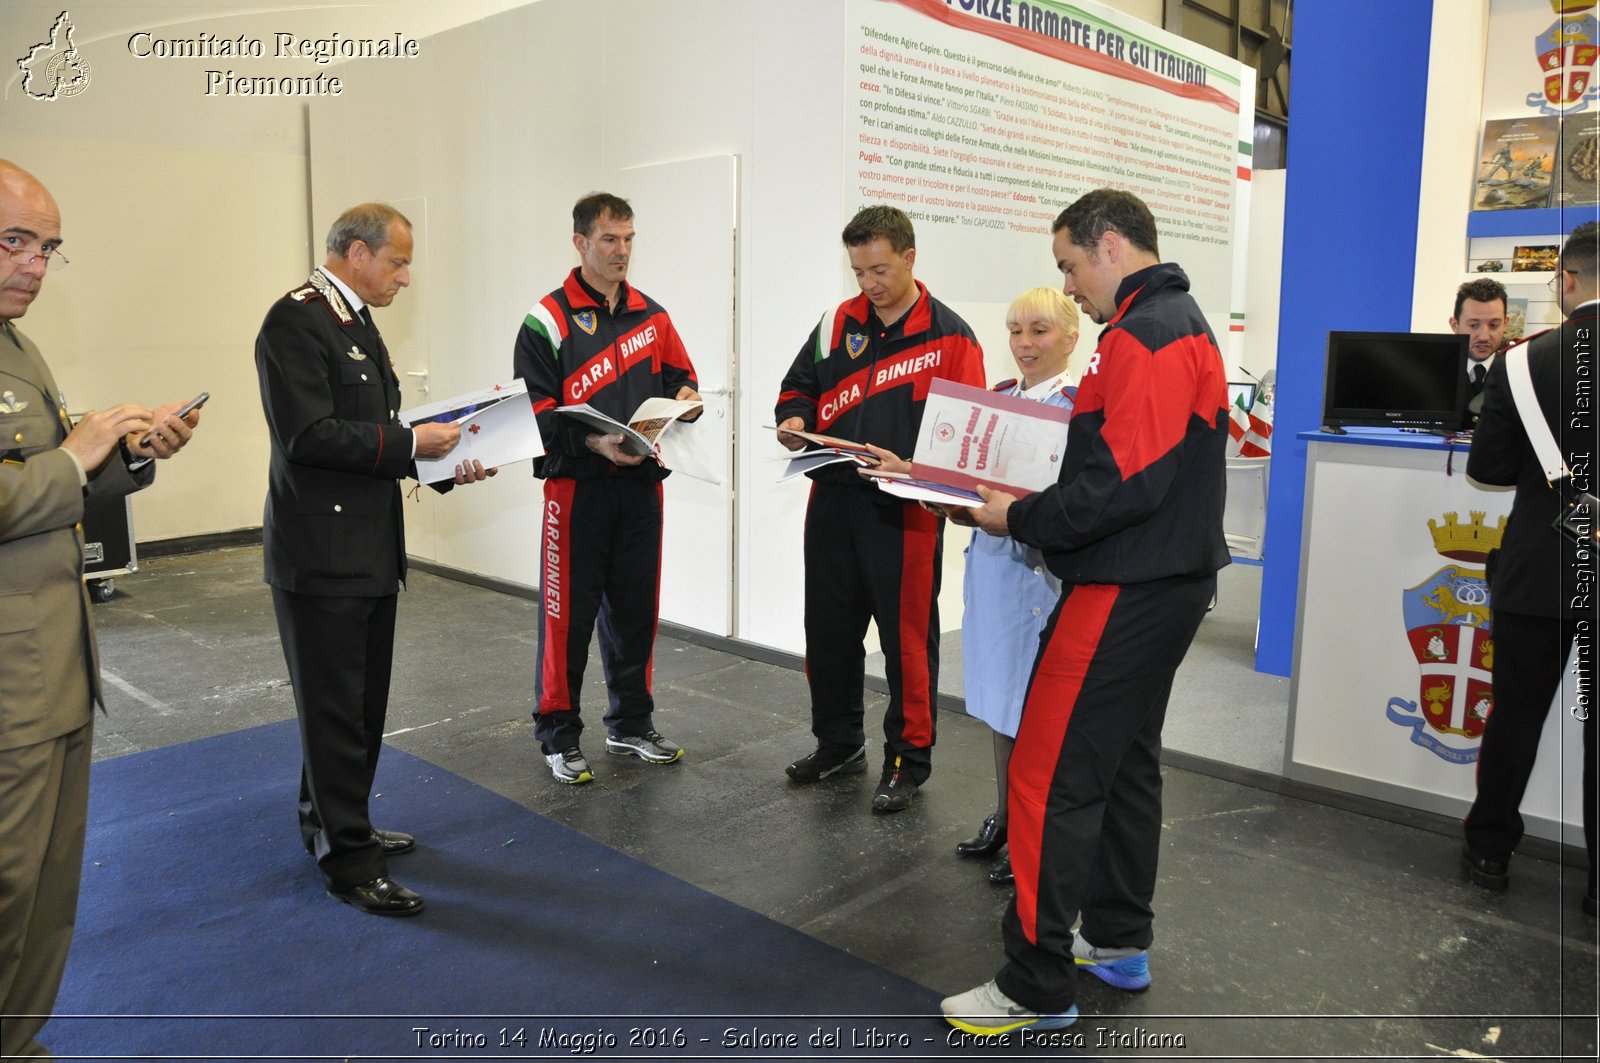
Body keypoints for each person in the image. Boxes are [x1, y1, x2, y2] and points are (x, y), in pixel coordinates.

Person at [941, 189, 1229, 1034]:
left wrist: (1015, 516)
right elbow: (1135, 470)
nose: (1067, 288)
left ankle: (1034, 983)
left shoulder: (1146, 332)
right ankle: (1117, 940)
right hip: (1165, 582)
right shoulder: (1177, 321)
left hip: (1123, 589)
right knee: (1128, 762)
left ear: (1109, 246)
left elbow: (1120, 487)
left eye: (1069, 266)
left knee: (1043, 773)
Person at [0, 159, 199, 1059]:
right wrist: (77, 453)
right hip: (9, 688)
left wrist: (131, 451)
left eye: (48, 249)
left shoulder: (17, 343)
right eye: (15, 241)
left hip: (55, 671)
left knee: (46, 887)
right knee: (6, 884)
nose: (34, 266)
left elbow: (56, 481)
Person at [256, 202, 493, 917]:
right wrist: (412, 447)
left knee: (358, 707)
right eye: (397, 261)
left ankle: (333, 821)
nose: (406, 276)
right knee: (335, 709)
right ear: (355, 253)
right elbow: (311, 436)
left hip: (364, 548)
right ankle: (349, 862)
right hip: (321, 555)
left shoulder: (353, 320)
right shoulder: (295, 320)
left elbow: (375, 435)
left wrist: (447, 462)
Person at [775, 204, 986, 812]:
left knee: (907, 645)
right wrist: (793, 420)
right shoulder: (838, 322)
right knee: (830, 633)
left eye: (880, 270)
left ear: (911, 257)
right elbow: (799, 387)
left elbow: (970, 440)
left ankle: (907, 761)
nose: (868, 284)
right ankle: (838, 744)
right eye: (858, 271)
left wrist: (914, 472)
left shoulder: (952, 337)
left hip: (906, 513)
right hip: (833, 501)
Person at [865, 287, 1078, 868]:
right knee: (1003, 703)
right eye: (1015, 330)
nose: (1025, 343)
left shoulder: (1078, 411)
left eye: (1040, 330)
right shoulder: (1000, 398)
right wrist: (910, 471)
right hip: (993, 569)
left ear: (1071, 337)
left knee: (1036, 710)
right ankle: (1008, 815)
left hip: (1041, 577)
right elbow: (963, 474)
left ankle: (1034, 835)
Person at [512, 192, 701, 785]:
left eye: (628, 239)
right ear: (580, 243)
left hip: (642, 486)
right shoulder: (546, 319)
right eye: (609, 240)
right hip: (576, 490)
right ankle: (559, 734)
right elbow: (534, 412)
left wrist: (689, 402)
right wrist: (593, 444)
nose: (621, 251)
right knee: (567, 615)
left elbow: (682, 377)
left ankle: (631, 724)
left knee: (636, 611)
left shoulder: (653, 314)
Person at [1461, 221, 1598, 915]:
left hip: (1536, 567)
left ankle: (1488, 850)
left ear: (1565, 281)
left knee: (1514, 715)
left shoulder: (1521, 362)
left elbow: (1486, 468)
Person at [1450, 277, 1507, 427]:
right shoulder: (1432, 368)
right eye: (1474, 325)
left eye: (1494, 325)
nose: (1484, 336)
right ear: (1455, 325)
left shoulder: (1522, 370)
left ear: (1506, 323)